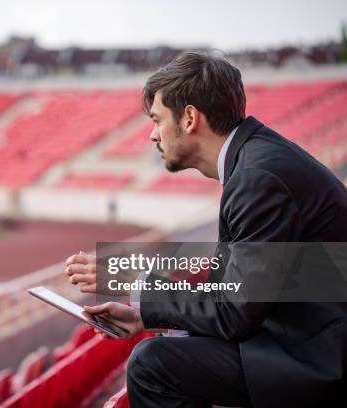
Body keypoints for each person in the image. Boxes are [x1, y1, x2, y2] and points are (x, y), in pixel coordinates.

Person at [65, 52, 347, 408]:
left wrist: (134, 282)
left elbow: (235, 312)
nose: (152, 136)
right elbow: (234, 295)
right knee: (162, 353)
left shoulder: (257, 178)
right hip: (304, 338)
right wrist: (143, 315)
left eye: (156, 120)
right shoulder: (257, 161)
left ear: (189, 118)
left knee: (153, 364)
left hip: (317, 360)